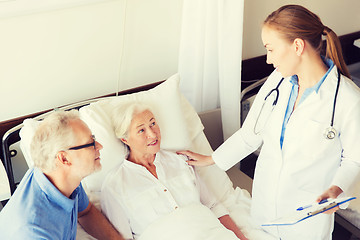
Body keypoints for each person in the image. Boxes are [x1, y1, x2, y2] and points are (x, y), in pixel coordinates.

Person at [178, 4, 360, 240]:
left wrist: (336, 188)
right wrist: (211, 159)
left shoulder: (347, 98)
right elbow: (250, 134)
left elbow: (354, 159)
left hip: (306, 222)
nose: (268, 59)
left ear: (297, 46)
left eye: (271, 49)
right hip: (264, 211)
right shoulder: (277, 81)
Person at [101, 103, 248, 240]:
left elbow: (213, 206)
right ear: (125, 139)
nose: (152, 134)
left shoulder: (180, 161)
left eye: (153, 123)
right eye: (141, 130)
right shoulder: (115, 184)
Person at [0, 110, 124, 240]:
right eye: (90, 143)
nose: (99, 146)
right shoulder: (34, 231)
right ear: (64, 159)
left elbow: (86, 212)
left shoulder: (63, 177)